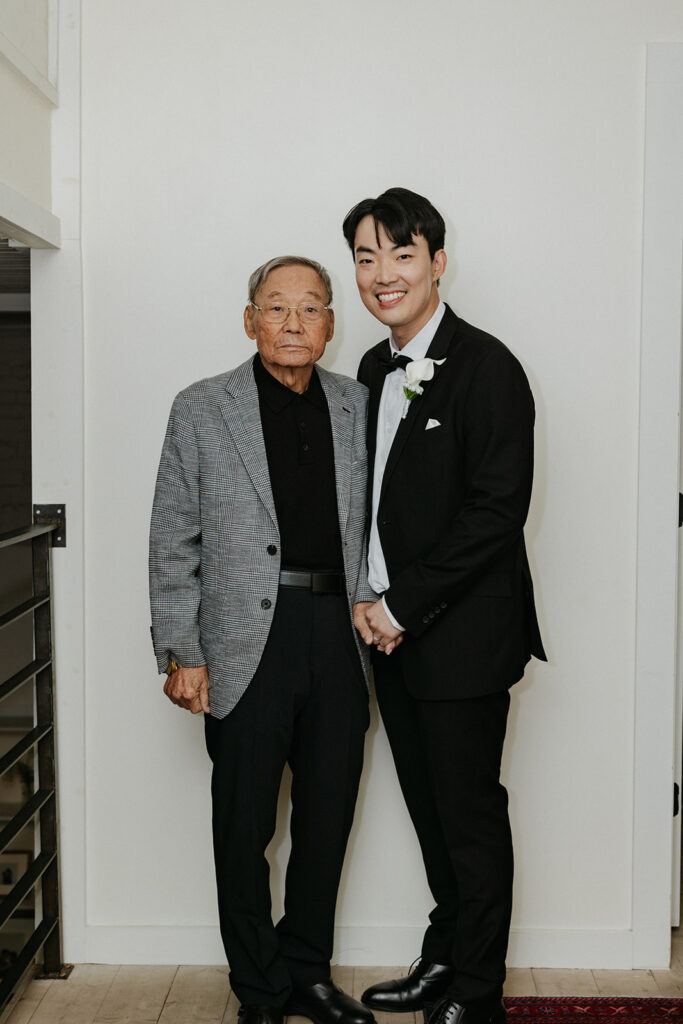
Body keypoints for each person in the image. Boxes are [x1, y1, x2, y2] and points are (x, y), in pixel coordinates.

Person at [149, 256, 378, 1024]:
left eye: (310, 308)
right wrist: (182, 652)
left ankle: (307, 973)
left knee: (325, 818)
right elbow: (172, 539)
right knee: (243, 824)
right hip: (244, 640)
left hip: (338, 635)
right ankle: (258, 987)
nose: (292, 323)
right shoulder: (200, 408)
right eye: (276, 307)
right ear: (249, 320)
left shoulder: (357, 405)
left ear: (330, 325)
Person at [342, 188, 546, 1024]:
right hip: (387, 636)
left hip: (461, 637)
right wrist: (366, 599)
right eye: (365, 257)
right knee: (429, 813)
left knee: (468, 816)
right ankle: (446, 953)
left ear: (437, 262)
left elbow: (496, 511)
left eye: (400, 253)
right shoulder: (370, 367)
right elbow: (372, 505)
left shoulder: (488, 366)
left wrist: (401, 606)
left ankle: (476, 991)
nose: (382, 273)